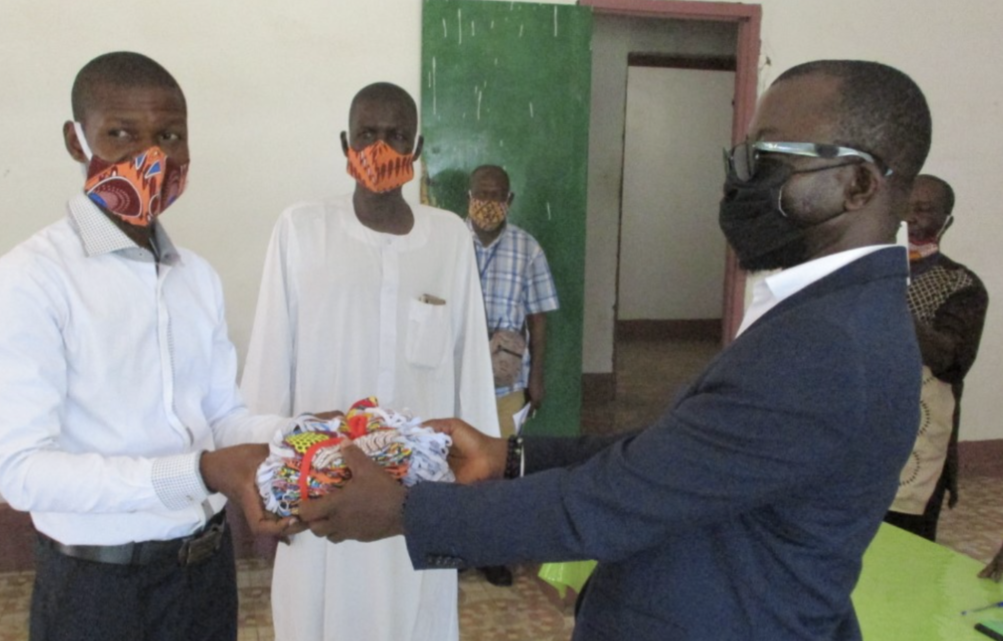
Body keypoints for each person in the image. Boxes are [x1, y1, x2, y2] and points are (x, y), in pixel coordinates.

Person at [297, 59, 930, 641]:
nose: (739, 179)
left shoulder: (829, 346)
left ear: (858, 184)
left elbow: (613, 501)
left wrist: (409, 512)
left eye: (765, 160)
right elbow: (673, 458)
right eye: (740, 157)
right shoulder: (833, 315)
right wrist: (508, 456)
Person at [0, 52, 290, 641]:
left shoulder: (196, 277)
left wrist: (300, 434)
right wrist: (198, 473)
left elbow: (222, 419)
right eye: (121, 134)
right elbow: (23, 471)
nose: (151, 157)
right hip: (98, 592)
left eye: (170, 136)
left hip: (204, 577)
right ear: (75, 140)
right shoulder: (30, 280)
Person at [240, 82, 499, 641]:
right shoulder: (302, 230)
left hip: (418, 494)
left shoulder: (449, 239)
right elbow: (268, 369)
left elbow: (471, 368)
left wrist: (476, 497)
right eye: (367, 134)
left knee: (416, 619)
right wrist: (266, 481)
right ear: (346, 144)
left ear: (417, 147)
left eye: (397, 136)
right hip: (320, 486)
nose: (381, 148)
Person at [466, 164, 559, 586]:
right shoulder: (449, 242)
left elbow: (538, 319)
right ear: (468, 198)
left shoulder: (528, 249)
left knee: (501, 469)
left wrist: (535, 378)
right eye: (481, 194)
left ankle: (492, 553)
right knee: (456, 464)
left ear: (510, 201)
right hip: (457, 381)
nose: (488, 203)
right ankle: (458, 546)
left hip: (506, 381)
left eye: (497, 195)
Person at [884, 175, 988, 541]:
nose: (911, 217)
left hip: (917, 441)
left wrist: (892, 299)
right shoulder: (862, 271)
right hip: (857, 432)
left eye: (924, 209)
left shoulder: (961, 285)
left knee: (905, 544)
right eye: (904, 208)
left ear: (947, 221)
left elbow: (953, 360)